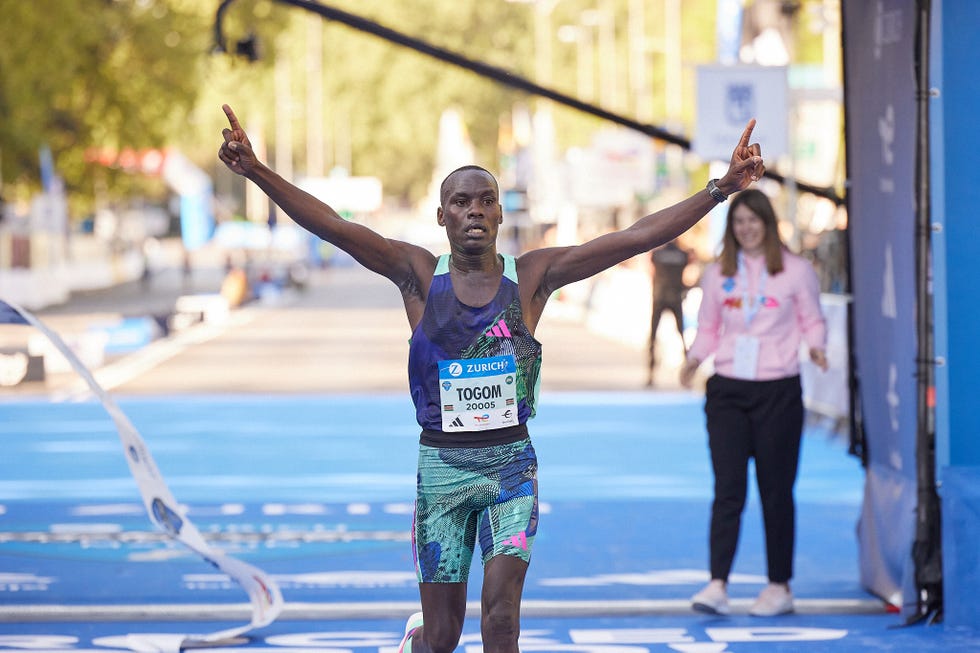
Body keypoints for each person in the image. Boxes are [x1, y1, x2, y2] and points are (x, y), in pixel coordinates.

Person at [219, 103, 764, 653]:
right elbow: (333, 225)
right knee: (442, 637)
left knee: (502, 619)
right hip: (441, 471)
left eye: (485, 201)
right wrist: (257, 171)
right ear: (442, 217)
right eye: (461, 202)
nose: (474, 211)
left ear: (501, 214)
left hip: (511, 469)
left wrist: (719, 189)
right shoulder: (415, 275)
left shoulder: (531, 278)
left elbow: (634, 238)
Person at [679, 188, 828, 618]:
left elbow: (812, 319)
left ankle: (779, 586)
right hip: (727, 392)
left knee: (776, 491)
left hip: (778, 393)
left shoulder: (796, 271)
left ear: (767, 223)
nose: (746, 229)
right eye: (738, 222)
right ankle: (717, 584)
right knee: (728, 490)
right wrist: (692, 361)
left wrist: (816, 347)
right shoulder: (717, 273)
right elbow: (708, 327)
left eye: (753, 221)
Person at [646, 238, 693, 386]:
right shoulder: (682, 255)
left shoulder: (657, 255)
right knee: (682, 336)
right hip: (675, 297)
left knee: (653, 337)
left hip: (659, 297)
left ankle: (650, 374)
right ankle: (688, 375)